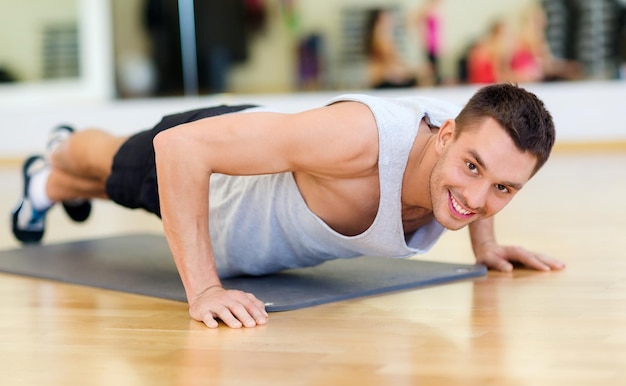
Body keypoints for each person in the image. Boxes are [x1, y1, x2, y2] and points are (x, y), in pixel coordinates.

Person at [11, 83, 565, 329]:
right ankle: (62, 147)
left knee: (106, 185)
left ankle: (48, 185)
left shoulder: (472, 140)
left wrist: (486, 245)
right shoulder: (360, 140)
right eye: (472, 169)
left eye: (503, 190)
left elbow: (488, 172)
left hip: (251, 210)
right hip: (217, 184)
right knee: (115, 166)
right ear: (445, 137)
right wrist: (204, 291)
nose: (476, 198)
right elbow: (178, 150)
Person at [364, 8, 417, 89]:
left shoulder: (383, 37)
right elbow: (391, 66)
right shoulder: (380, 38)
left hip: (385, 79)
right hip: (384, 81)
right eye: (388, 18)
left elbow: (396, 63)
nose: (392, 21)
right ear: (380, 20)